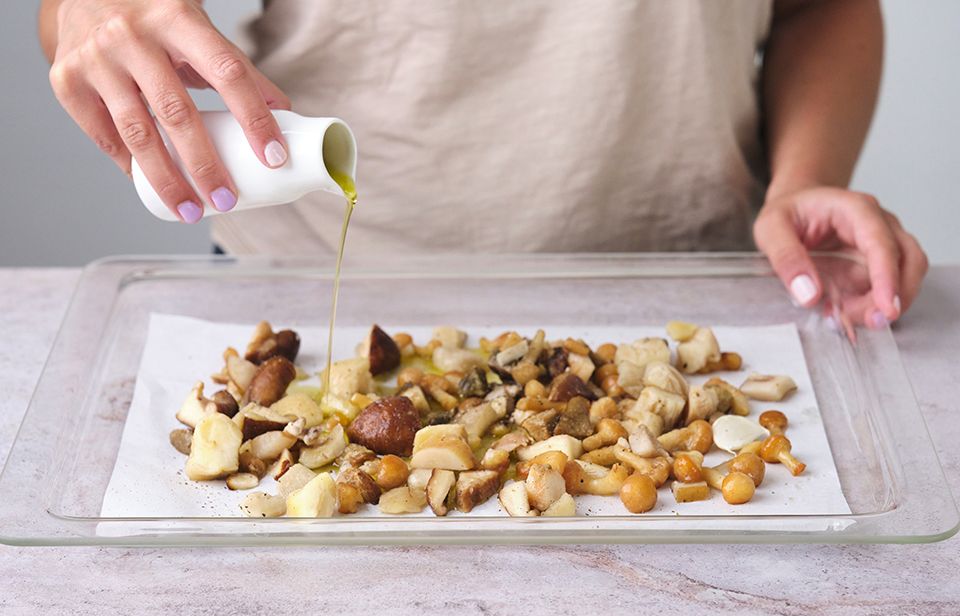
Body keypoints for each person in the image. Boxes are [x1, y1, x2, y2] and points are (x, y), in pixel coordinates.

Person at [39, 0, 928, 328]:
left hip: (683, 295)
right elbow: (86, 20)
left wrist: (803, 178)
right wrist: (86, 14)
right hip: (302, 291)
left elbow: (824, 7)